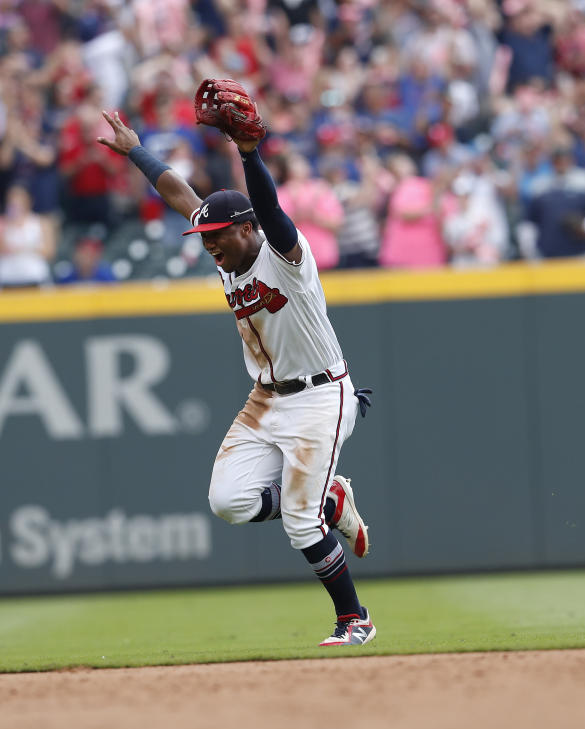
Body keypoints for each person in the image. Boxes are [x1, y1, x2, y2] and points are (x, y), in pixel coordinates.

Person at [96, 109, 376, 646]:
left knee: (300, 522)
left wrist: (249, 153)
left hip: (321, 395)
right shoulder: (226, 253)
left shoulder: (286, 257)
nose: (208, 243)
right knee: (229, 501)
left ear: (248, 229)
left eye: (217, 234)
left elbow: (269, 208)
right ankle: (333, 501)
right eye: (204, 236)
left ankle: (354, 619)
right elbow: (178, 191)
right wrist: (136, 150)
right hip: (267, 399)